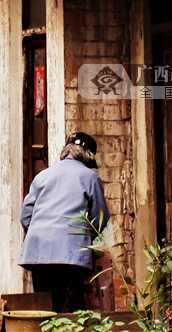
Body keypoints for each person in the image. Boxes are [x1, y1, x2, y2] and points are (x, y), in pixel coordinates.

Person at [19, 132, 110, 314]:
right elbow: (99, 219)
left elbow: (25, 217)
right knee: (69, 312)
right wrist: (86, 237)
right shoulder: (90, 177)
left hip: (38, 253)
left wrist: (44, 234)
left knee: (46, 311)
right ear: (88, 156)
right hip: (70, 255)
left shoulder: (42, 176)